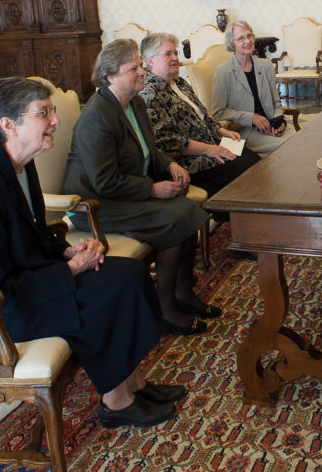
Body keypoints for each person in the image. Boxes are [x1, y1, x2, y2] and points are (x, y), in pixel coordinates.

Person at [0, 77, 185, 430]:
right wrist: (69, 271)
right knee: (104, 293)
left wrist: (71, 250)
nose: (55, 120)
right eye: (43, 113)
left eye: (52, 110)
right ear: (8, 125)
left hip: (24, 282)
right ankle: (117, 403)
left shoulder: (18, 166)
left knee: (127, 273)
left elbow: (33, 236)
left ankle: (135, 383)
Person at [61, 39, 218, 337]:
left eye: (140, 66)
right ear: (110, 76)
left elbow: (150, 150)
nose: (141, 71)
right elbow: (104, 181)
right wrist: (152, 189)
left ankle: (183, 294)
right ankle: (165, 310)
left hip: (125, 192)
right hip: (97, 205)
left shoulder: (134, 103)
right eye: (132, 68)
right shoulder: (97, 117)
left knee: (186, 210)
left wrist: (169, 165)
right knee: (173, 218)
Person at [140, 32, 261, 197]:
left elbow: (201, 115)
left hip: (211, 143)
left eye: (175, 53)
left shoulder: (180, 83)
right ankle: (227, 213)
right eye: (168, 54)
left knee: (254, 159)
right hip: (190, 159)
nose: (175, 57)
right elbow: (167, 140)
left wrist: (221, 130)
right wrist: (210, 150)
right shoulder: (150, 93)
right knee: (249, 167)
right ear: (150, 61)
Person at [210, 20, 290, 155]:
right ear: (232, 43)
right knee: (289, 148)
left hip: (272, 126)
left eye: (249, 35)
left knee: (302, 142)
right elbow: (218, 112)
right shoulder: (223, 71)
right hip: (246, 131)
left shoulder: (266, 66)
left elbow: (276, 102)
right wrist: (251, 117)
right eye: (241, 38)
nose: (247, 41)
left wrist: (278, 123)